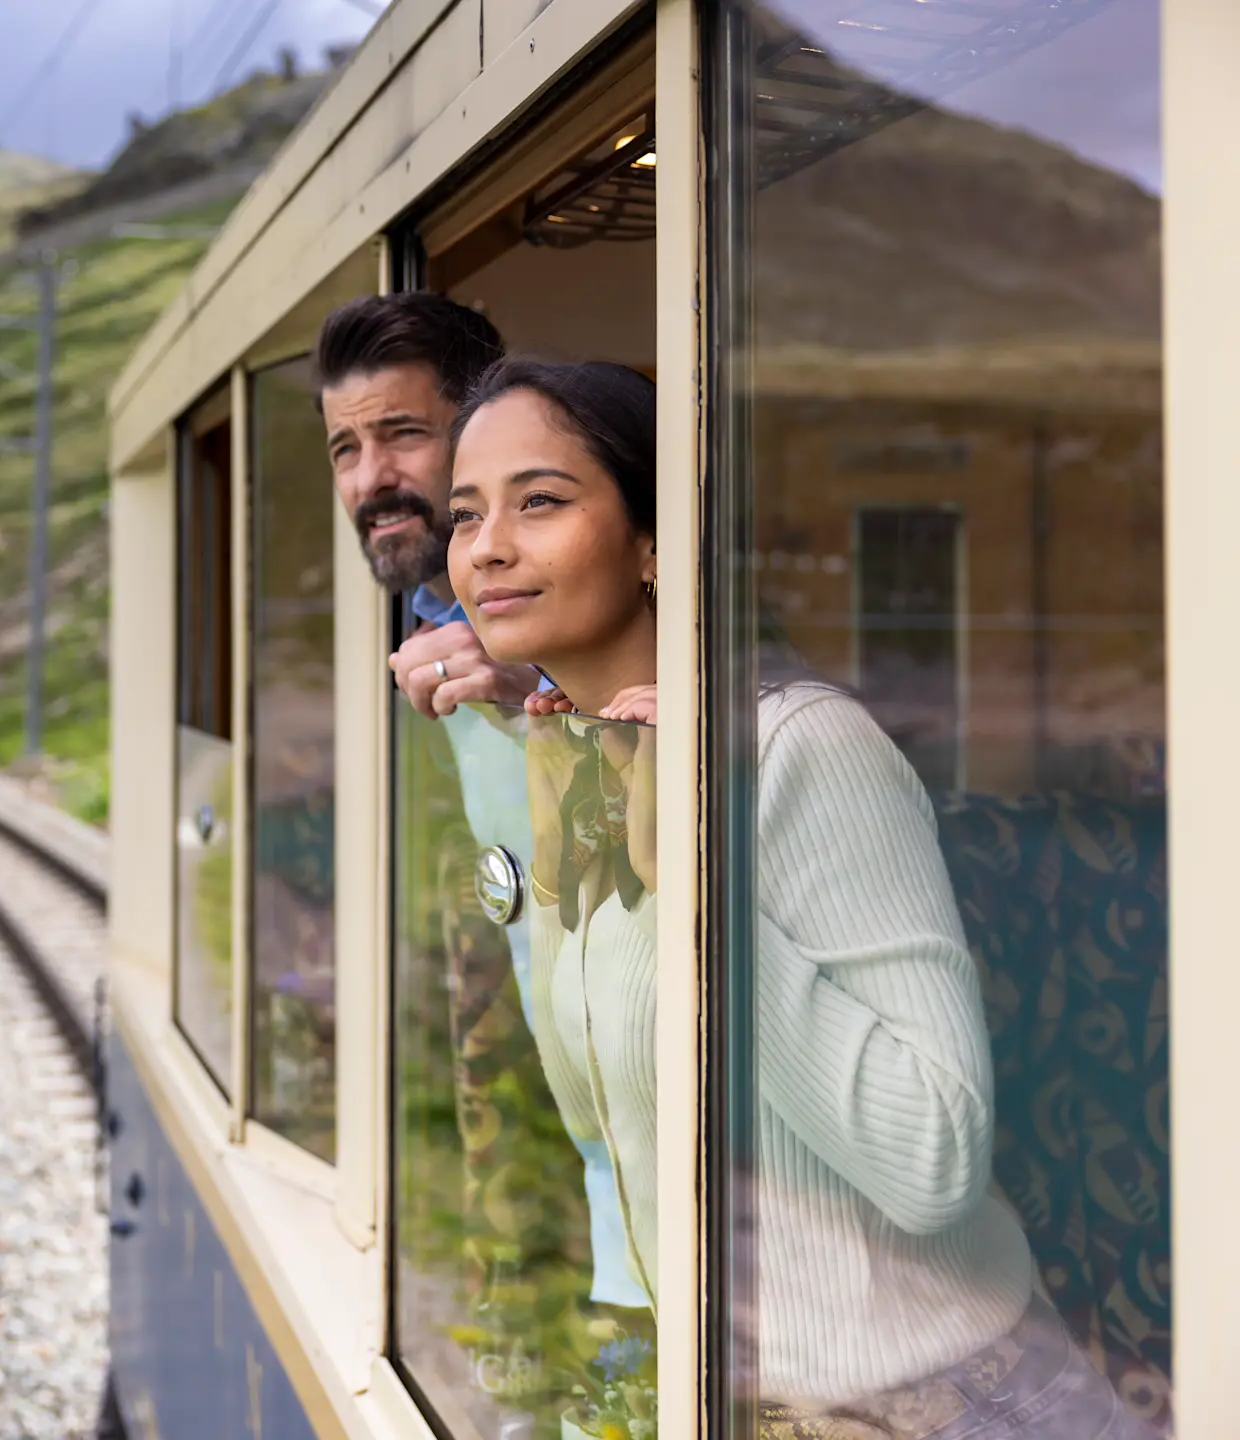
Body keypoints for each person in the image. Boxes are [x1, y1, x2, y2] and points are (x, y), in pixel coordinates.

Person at [445, 354, 1154, 1436]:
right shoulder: (590, 770)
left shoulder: (802, 749)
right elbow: (598, 1118)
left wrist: (691, 885)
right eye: (466, 513)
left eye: (539, 501)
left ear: (653, 542)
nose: (486, 545)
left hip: (941, 1403)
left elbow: (935, 1158)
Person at [313, 294, 647, 1309]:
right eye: (343, 448)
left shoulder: (606, 630)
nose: (371, 479)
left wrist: (540, 678)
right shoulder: (415, 619)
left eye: (402, 434)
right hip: (535, 1147)